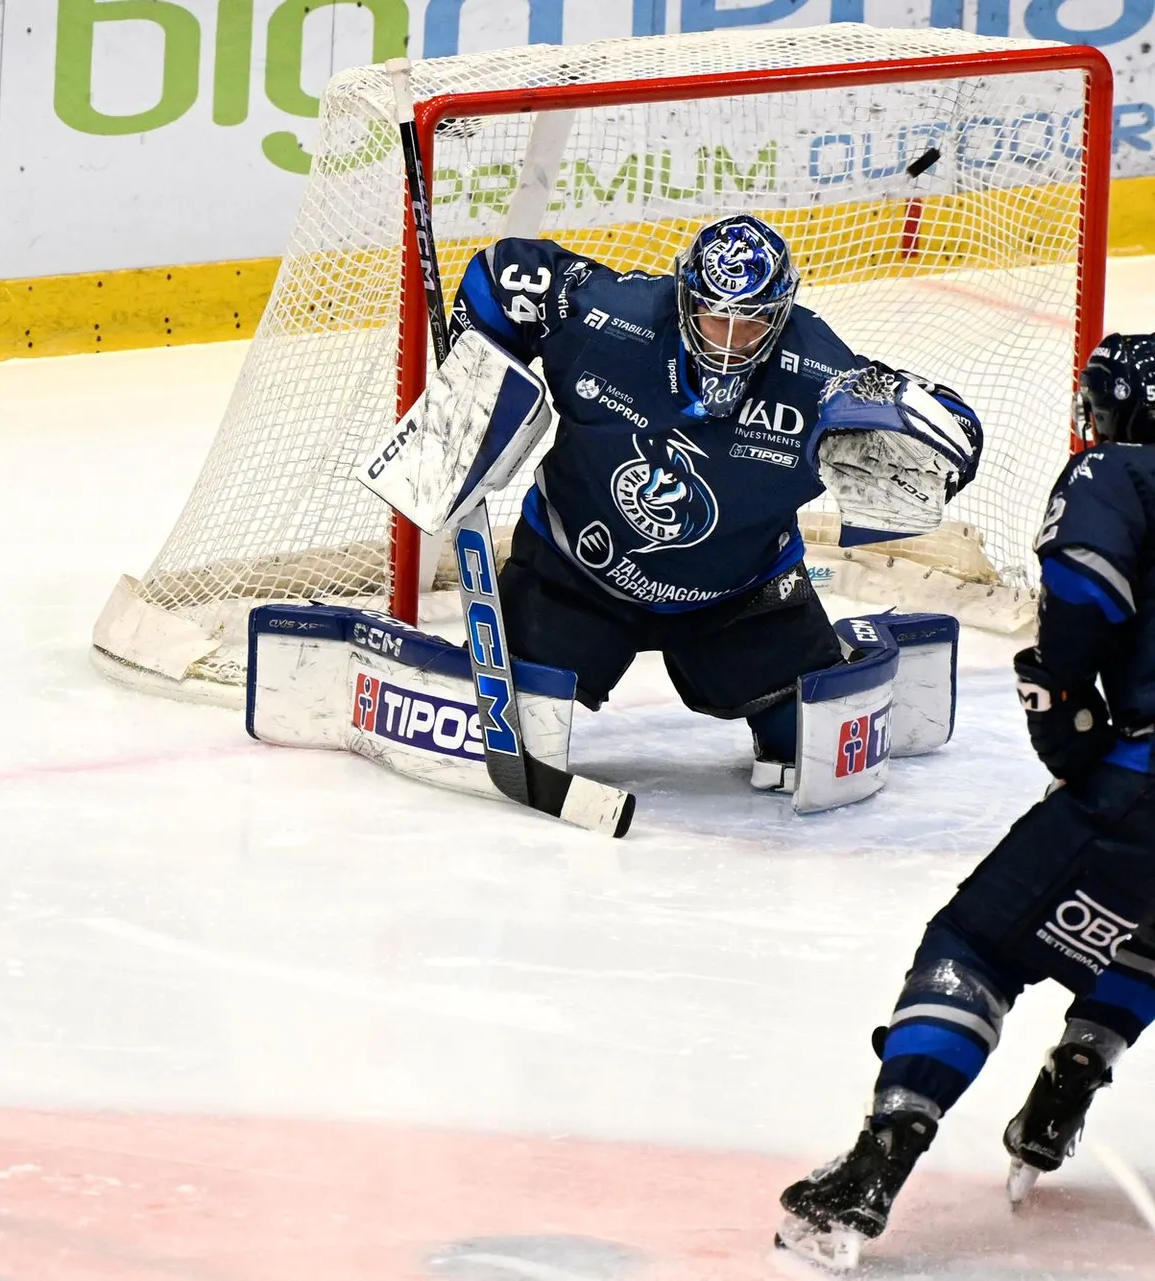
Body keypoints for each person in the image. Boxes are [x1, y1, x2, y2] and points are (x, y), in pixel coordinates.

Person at [776, 333, 1155, 1270]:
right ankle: (1073, 1077)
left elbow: (1082, 587)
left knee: (976, 946)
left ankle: (878, 1159)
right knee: (1142, 922)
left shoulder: (1118, 470)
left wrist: (1065, 696)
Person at [445, 214, 982, 787]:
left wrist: (914, 429)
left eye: (750, 323)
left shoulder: (820, 376)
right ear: (685, 299)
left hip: (739, 597)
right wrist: (469, 381)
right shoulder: (609, 317)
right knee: (500, 727)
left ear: (780, 315)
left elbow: (954, 436)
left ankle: (846, 654)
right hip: (573, 575)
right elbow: (500, 273)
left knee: (811, 748)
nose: (728, 340)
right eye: (713, 316)